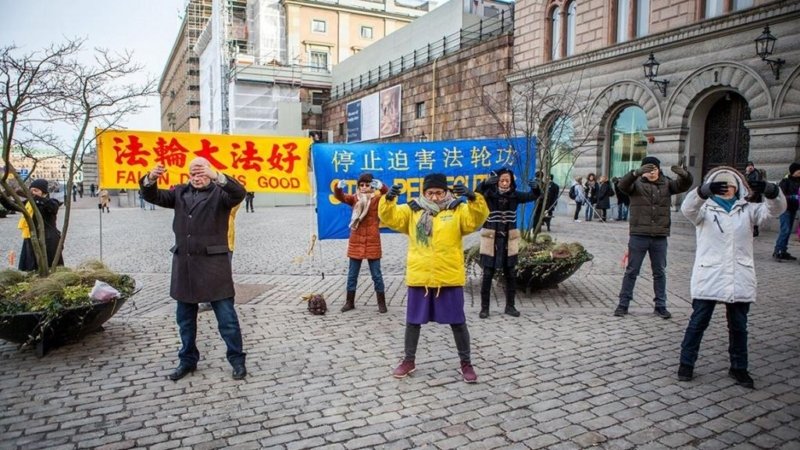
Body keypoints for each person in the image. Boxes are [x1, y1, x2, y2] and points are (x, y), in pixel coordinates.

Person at [140, 157, 248, 381]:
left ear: (209, 172)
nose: (197, 177)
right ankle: (187, 360)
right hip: (185, 266)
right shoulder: (179, 192)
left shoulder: (221, 194)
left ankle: (237, 360)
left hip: (214, 267)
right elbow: (152, 195)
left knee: (227, 320)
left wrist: (217, 175)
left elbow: (239, 192)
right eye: (193, 173)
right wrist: (151, 178)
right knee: (185, 321)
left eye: (202, 173)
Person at [677, 167, 784, 388]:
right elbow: (687, 208)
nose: (726, 190)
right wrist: (702, 191)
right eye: (721, 186)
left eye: (731, 185)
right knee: (698, 322)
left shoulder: (748, 210)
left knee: (738, 326)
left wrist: (772, 191)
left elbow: (775, 211)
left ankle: (739, 368)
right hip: (710, 273)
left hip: (738, 275)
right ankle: (686, 364)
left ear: (738, 188)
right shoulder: (704, 211)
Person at [379, 173, 489, 383]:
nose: (436, 197)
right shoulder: (412, 210)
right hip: (421, 276)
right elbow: (390, 217)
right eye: (431, 193)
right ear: (424, 193)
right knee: (413, 322)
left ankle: (466, 363)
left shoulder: (458, 209)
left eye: (439, 192)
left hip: (448, 276)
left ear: (446, 191)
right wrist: (388, 200)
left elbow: (475, 220)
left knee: (458, 322)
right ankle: (408, 360)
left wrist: (474, 199)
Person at [613, 156, 693, 319]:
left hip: (659, 236)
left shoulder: (667, 183)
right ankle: (623, 304)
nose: (651, 172)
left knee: (659, 272)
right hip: (638, 235)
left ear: (659, 170)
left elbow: (683, 185)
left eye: (654, 169)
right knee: (632, 271)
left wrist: (685, 175)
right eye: (647, 169)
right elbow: (622, 185)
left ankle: (660, 306)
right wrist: (634, 173)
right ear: (643, 170)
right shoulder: (636, 184)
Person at [475, 168, 540, 318]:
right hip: (491, 238)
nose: (504, 183)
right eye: (502, 180)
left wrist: (536, 188)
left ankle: (510, 306)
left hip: (509, 239)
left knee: (511, 274)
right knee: (487, 274)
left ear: (511, 182)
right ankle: (484, 308)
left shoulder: (515, 195)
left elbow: (532, 196)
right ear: (497, 181)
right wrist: (484, 183)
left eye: (507, 180)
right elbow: (475, 195)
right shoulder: (489, 195)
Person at [334, 173, 389, 313]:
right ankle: (349, 302)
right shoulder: (354, 199)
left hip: (372, 241)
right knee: (352, 274)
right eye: (361, 185)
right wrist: (338, 188)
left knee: (376, 274)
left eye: (367, 185)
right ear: (358, 186)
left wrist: (382, 187)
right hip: (356, 242)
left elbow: (389, 196)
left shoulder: (377, 199)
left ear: (372, 186)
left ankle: (381, 303)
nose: (364, 187)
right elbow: (340, 197)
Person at [17, 179, 64, 272]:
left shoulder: (51, 201)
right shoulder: (29, 203)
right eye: (31, 190)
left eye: (36, 190)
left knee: (50, 266)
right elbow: (12, 205)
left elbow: (53, 208)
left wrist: (36, 198)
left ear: (44, 192)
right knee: (32, 267)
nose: (33, 193)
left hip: (48, 239)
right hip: (32, 237)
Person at [773, 162, 800, 261]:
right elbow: (781, 196)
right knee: (785, 230)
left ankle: (783, 251)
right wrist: (793, 197)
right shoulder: (785, 181)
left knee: (787, 231)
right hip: (784, 209)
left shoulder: (798, 181)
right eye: (799, 170)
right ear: (794, 171)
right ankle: (778, 251)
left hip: (793, 209)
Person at [743, 161, 763, 236]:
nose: (750, 167)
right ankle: (750, 229)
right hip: (748, 196)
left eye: (751, 165)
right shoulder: (745, 174)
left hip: (755, 196)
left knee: (754, 213)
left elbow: (755, 183)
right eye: (748, 165)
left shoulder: (756, 173)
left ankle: (755, 229)